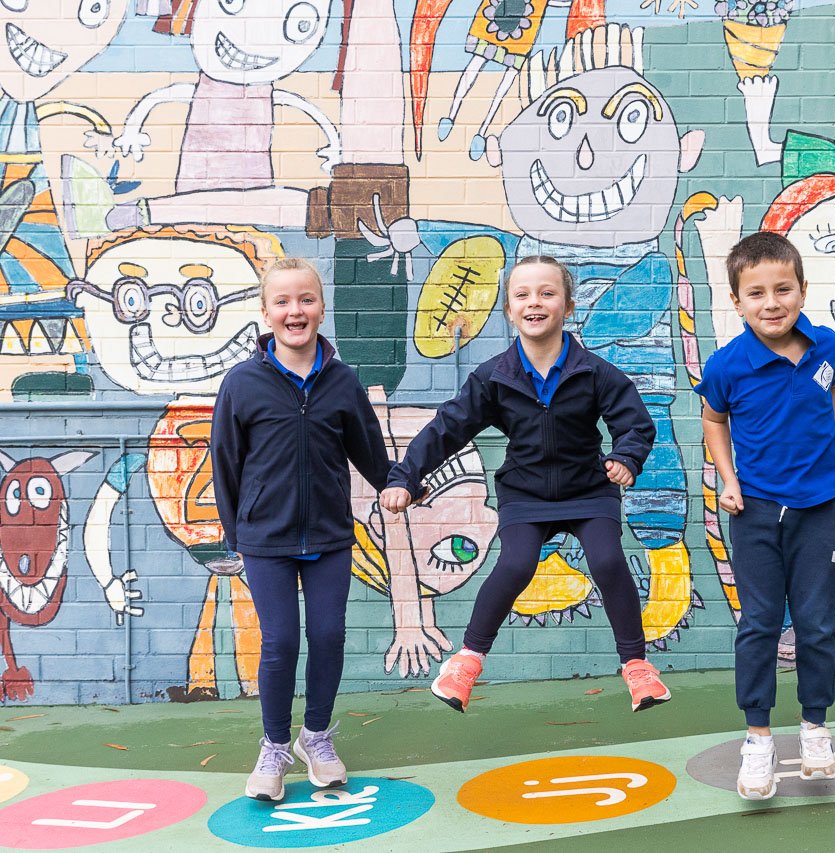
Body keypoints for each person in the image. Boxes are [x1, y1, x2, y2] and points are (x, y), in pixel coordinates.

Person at [379, 256, 671, 714]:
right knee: (516, 564)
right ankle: (466, 663)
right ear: (510, 311)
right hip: (526, 493)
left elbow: (637, 424)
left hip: (589, 490)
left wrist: (625, 458)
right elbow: (447, 429)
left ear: (568, 306)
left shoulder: (593, 371)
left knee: (608, 559)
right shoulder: (495, 378)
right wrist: (405, 477)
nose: (535, 302)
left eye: (547, 293)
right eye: (523, 295)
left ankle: (637, 667)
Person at [696, 232, 835, 801]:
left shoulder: (825, 346)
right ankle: (758, 739)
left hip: (820, 508)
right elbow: (714, 421)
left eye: (783, 289)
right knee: (761, 625)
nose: (772, 303)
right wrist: (728, 479)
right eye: (756, 293)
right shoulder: (727, 366)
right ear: (737, 301)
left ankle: (816, 730)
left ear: (802, 290)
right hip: (755, 512)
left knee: (818, 624)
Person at [212, 258, 391, 801]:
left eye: (306, 300)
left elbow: (371, 455)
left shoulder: (342, 382)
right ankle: (273, 747)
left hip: (330, 536)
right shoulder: (242, 383)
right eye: (283, 302)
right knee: (281, 641)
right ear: (266, 312)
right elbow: (225, 463)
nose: (296, 311)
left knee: (329, 636)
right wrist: (234, 537)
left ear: (321, 306)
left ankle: (316, 736)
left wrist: (404, 485)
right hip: (265, 539)